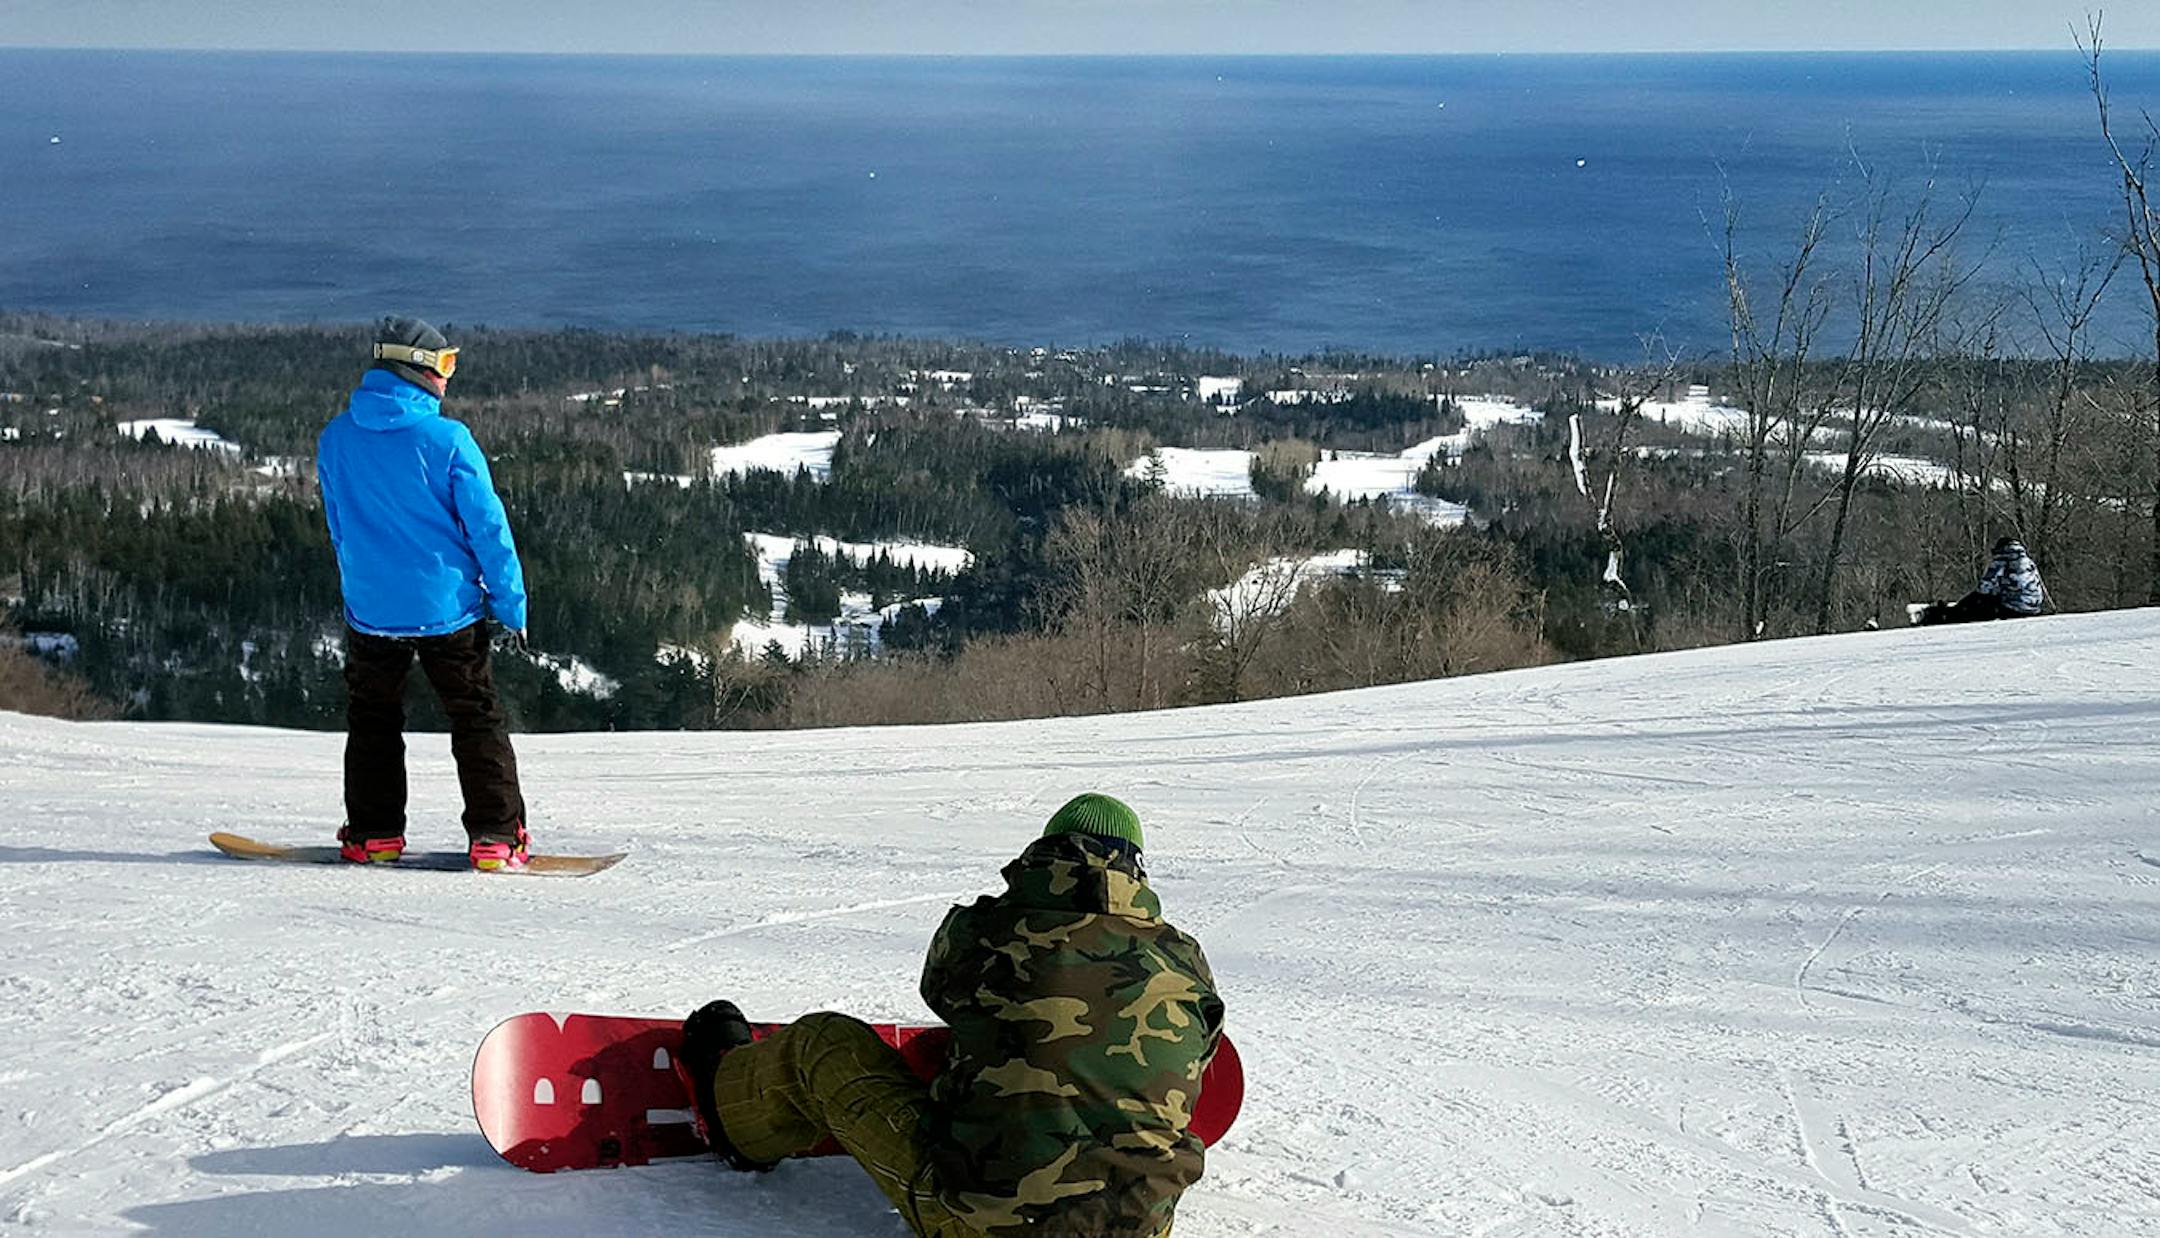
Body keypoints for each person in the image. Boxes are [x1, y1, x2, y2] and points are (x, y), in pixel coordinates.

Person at [678, 793, 1224, 1238]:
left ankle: (731, 1119)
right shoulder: (1185, 958)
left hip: (979, 1223)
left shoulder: (986, 930)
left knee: (821, 1043)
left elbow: (938, 991)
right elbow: (1203, 1052)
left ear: (1047, 850)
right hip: (1140, 1229)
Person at [316, 316, 533, 870]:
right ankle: (496, 836)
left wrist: (360, 587)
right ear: (414, 369)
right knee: (475, 717)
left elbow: (339, 525)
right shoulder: (448, 439)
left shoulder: (337, 437)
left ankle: (374, 834)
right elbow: (488, 528)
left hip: (372, 610)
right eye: (444, 364)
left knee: (373, 721)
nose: (448, 377)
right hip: (447, 608)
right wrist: (510, 603)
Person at [1916, 537, 2047, 626]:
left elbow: (1984, 588)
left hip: (2013, 609)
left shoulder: (2001, 561)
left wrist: (1968, 601)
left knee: (1977, 601)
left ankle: (1944, 616)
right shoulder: (2030, 562)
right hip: (2033, 608)